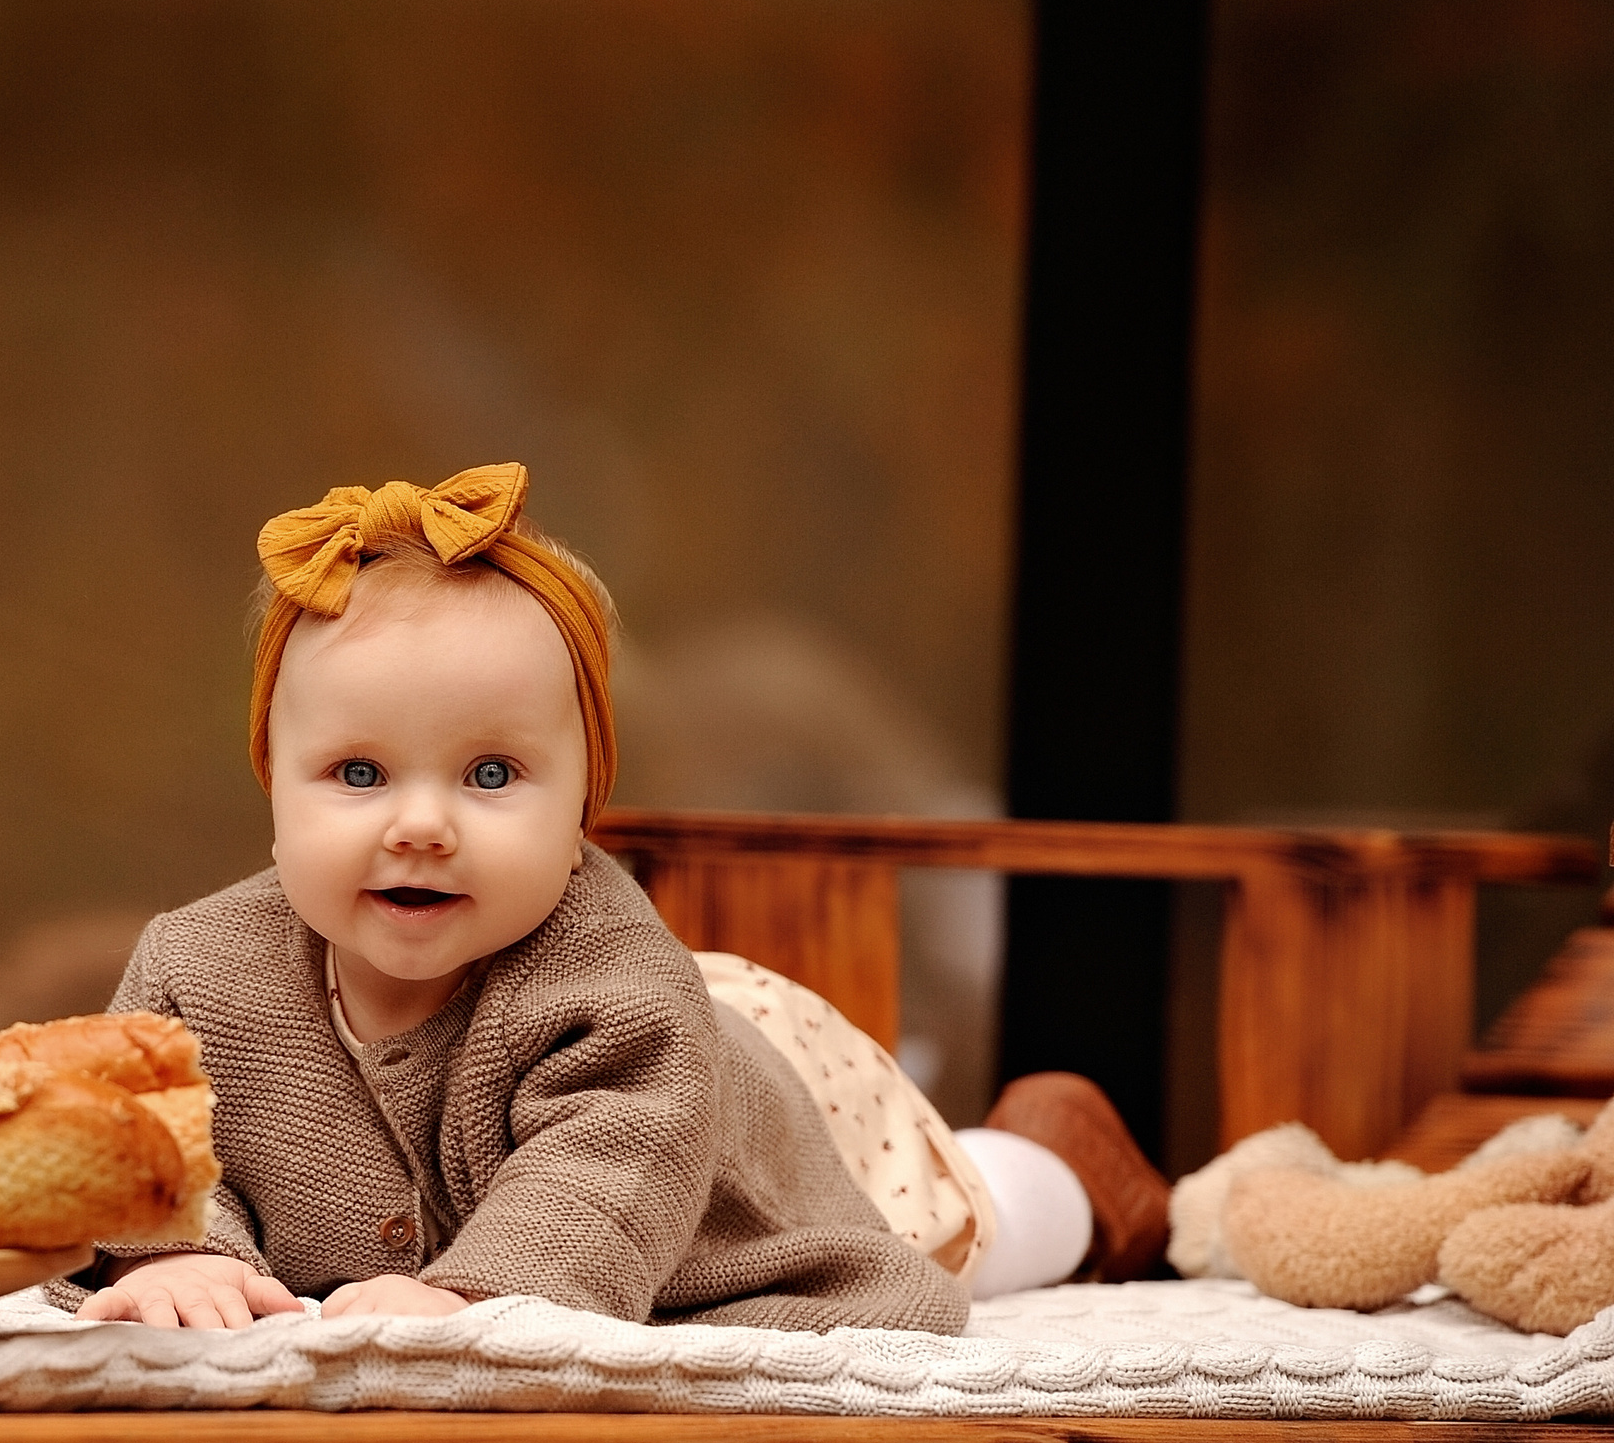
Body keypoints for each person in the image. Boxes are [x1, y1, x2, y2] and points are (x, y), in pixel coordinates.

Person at [73, 463, 1164, 1330]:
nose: (419, 823)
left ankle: (1062, 1167)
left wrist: (469, 1295)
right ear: (274, 781)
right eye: (358, 774)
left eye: (490, 775)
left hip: (762, 1121)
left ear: (585, 802)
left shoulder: (612, 985)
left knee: (959, 1224)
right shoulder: (194, 968)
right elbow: (153, 1148)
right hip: (682, 1043)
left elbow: (602, 1175)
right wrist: (186, 1254)